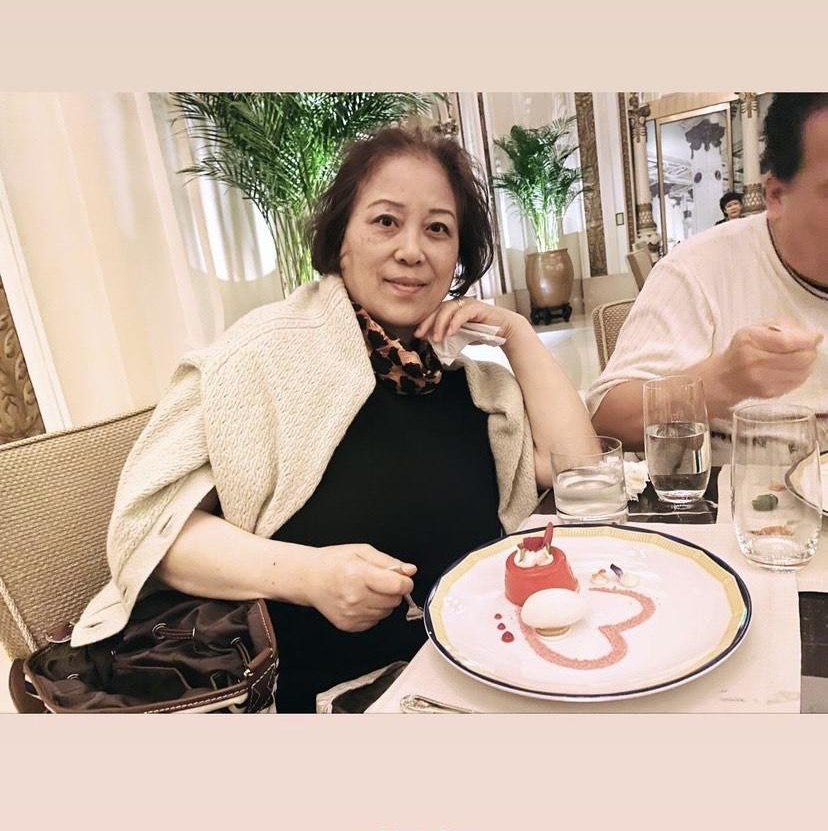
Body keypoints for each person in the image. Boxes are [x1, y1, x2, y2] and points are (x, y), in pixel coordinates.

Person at [72, 125, 596, 711]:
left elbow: (580, 472)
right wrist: (309, 575)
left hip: (480, 673)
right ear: (341, 238)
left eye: (438, 229)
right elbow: (148, 531)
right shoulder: (258, 359)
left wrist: (517, 334)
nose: (412, 250)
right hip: (327, 698)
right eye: (386, 221)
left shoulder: (473, 385)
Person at [588, 93, 827, 462]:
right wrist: (723, 381)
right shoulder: (698, 268)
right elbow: (609, 421)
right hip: (748, 493)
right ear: (777, 196)